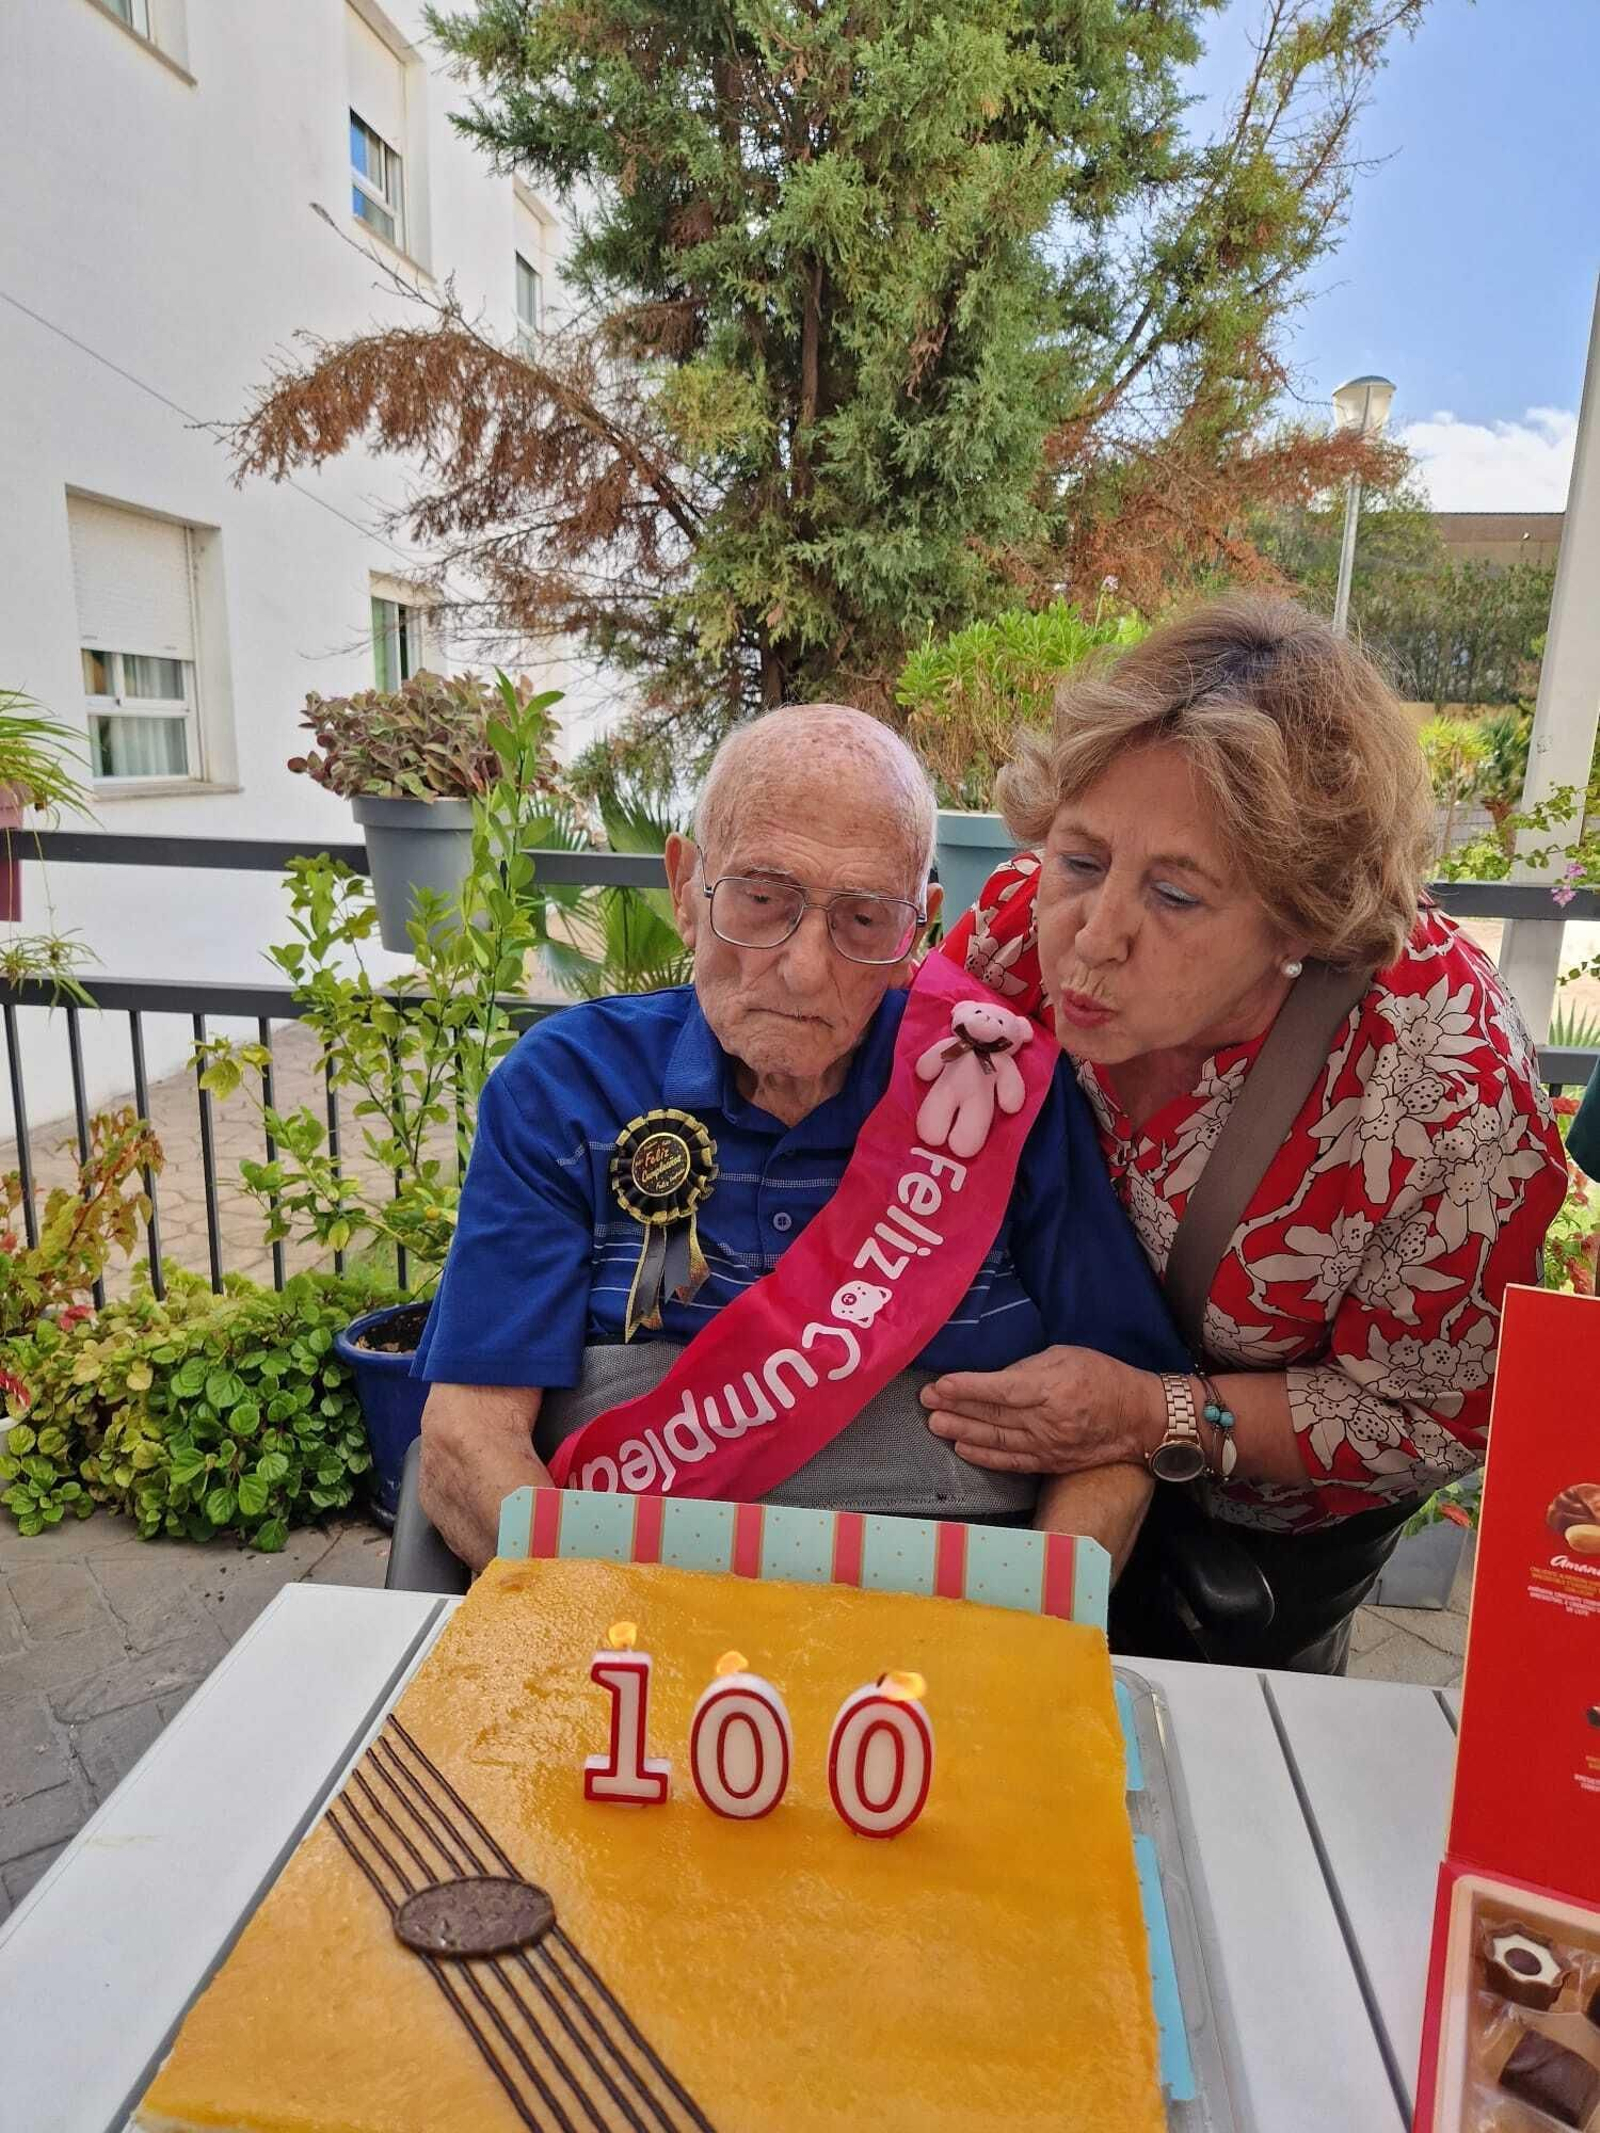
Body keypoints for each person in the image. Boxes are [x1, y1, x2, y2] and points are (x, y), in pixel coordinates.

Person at [923, 596, 1568, 1671]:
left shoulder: (1438, 1087)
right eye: (1078, 860)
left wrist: (1151, 1414)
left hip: (1244, 1564)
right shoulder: (1014, 923)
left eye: (1175, 894)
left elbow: (1431, 1415)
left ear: (1301, 920)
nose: (1093, 932)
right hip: (1011, 1473)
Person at [416, 703, 1185, 1571]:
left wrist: (1031, 1631)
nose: (806, 966)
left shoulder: (998, 1090)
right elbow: (466, 1440)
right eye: (762, 898)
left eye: (862, 919)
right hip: (630, 1599)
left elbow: (1115, 1431)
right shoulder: (565, 1087)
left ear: (917, 931)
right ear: (683, 887)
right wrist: (605, 1633)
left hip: (945, 1620)